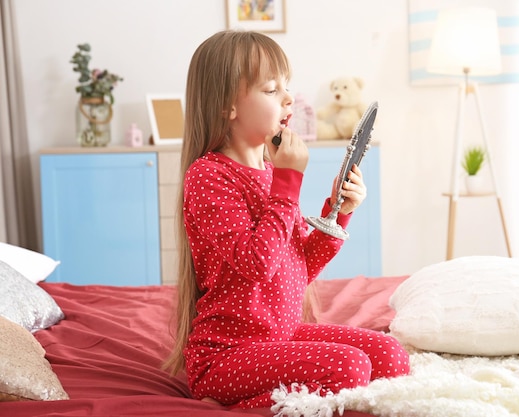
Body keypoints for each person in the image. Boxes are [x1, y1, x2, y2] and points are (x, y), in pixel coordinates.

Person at [164, 29, 410, 409]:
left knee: (390, 355)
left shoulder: (269, 172)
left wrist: (339, 213)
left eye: (287, 87)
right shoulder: (208, 175)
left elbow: (297, 268)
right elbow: (257, 264)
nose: (289, 98)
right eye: (271, 89)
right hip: (227, 356)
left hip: (279, 336)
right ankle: (240, 404)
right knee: (348, 367)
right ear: (228, 105)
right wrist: (289, 181)